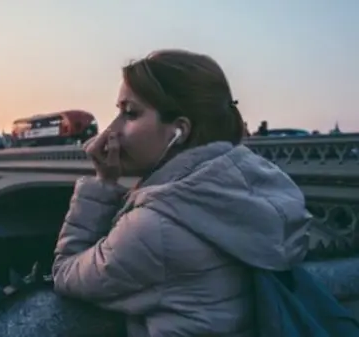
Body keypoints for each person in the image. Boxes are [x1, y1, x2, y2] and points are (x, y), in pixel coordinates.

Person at [51, 49, 311, 337]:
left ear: (179, 131)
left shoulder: (154, 227)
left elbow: (64, 273)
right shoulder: (256, 189)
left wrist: (104, 183)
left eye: (130, 113)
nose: (111, 130)